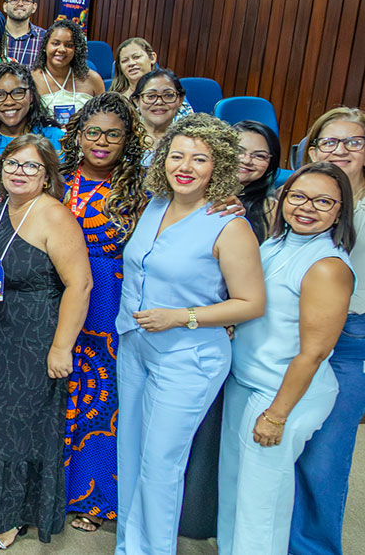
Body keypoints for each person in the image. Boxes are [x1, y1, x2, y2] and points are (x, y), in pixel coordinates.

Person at [115, 114, 266, 555]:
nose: (186, 166)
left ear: (217, 165)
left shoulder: (229, 224)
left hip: (188, 358)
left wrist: (181, 316)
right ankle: (128, 547)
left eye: (199, 158)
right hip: (136, 346)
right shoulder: (156, 205)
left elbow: (250, 303)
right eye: (177, 155)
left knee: (161, 464)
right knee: (132, 455)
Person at [218, 162, 353, 554]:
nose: (307, 207)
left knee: (261, 511)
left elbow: (314, 352)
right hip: (247, 382)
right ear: (282, 199)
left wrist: (277, 415)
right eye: (298, 196)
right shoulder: (276, 243)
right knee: (235, 496)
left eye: (323, 201)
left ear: (340, 211)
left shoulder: (326, 266)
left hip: (281, 395)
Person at [0, 133, 92, 549]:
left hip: (37, 335)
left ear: (46, 175)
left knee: (21, 427)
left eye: (30, 166)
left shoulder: (54, 215)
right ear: (1, 169)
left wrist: (61, 347)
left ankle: (13, 517)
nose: (19, 172)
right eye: (13, 164)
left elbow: (80, 284)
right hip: (0, 331)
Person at [55, 93, 150, 533]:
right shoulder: (58, 179)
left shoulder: (143, 187)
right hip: (58, 296)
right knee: (58, 392)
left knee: (100, 400)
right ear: (78, 135)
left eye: (114, 134)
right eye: (93, 132)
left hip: (111, 303)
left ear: (127, 138)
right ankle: (53, 487)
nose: (102, 141)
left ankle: (94, 499)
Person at [292, 107, 365, 555]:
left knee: (324, 460)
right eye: (329, 142)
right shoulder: (297, 195)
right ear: (313, 150)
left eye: (353, 142)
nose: (341, 151)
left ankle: (312, 549)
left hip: (347, 342)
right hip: (286, 333)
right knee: (281, 450)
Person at [32, 20, 106, 126]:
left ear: (76, 50)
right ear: (45, 46)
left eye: (69, 45)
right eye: (56, 43)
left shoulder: (92, 79)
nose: (62, 49)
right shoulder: (32, 79)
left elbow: (102, 120)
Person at [234, 120, 281, 241]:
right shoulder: (196, 192)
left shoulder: (269, 208)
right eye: (238, 151)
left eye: (259, 156)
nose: (246, 160)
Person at [132, 68, 186, 152]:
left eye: (168, 95)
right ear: (137, 101)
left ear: (180, 100)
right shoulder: (125, 138)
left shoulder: (190, 140)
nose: (159, 102)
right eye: (150, 96)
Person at [2, 0, 45, 68]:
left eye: (26, 1)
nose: (20, 4)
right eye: (14, 0)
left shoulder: (44, 38)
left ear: (34, 7)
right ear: (5, 6)